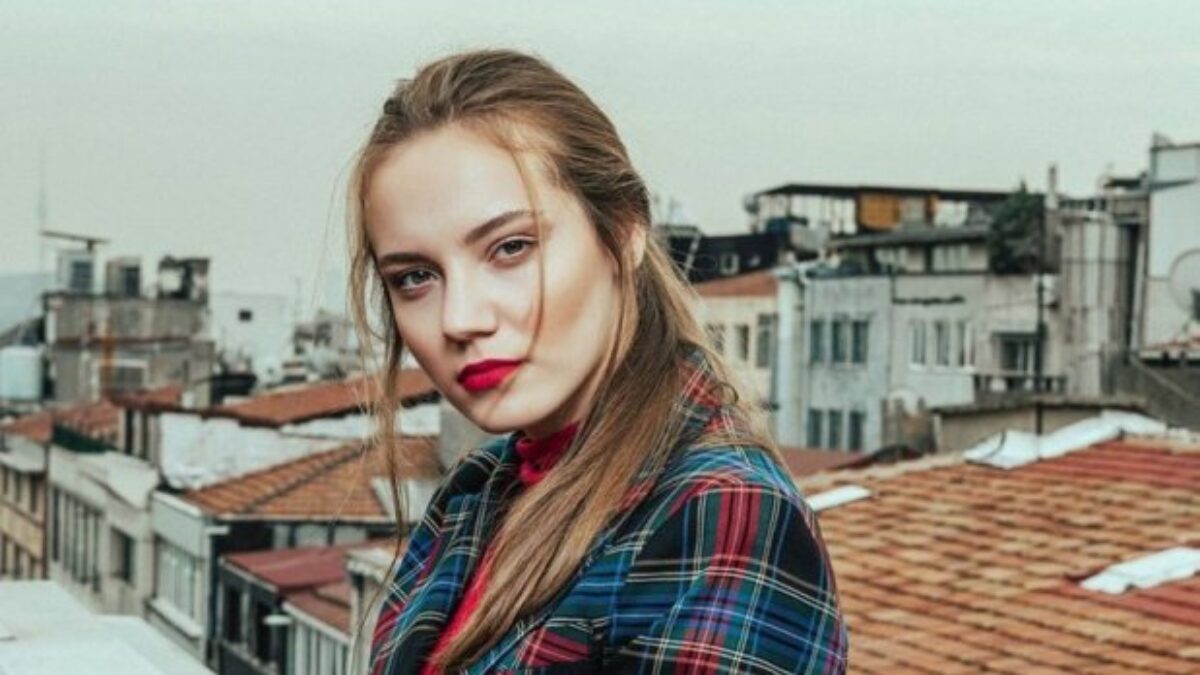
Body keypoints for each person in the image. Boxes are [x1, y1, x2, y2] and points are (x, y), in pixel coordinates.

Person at [348, 48, 848, 674]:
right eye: (415, 277)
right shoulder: (473, 496)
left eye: (511, 248)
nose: (460, 318)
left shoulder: (722, 513)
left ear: (624, 231)